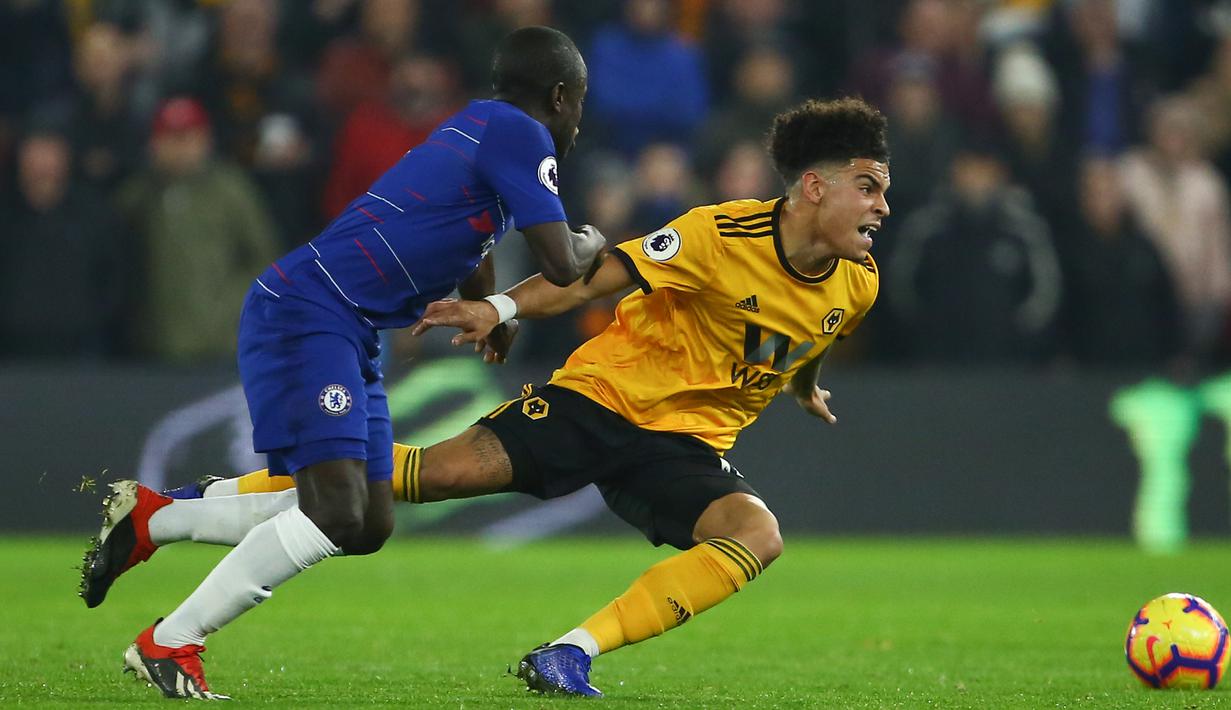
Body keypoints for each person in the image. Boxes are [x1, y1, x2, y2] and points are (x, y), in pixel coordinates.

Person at [83, 97, 889, 697]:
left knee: (755, 535)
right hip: (600, 400)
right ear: (813, 188)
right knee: (409, 482)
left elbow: (804, 337)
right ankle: (170, 512)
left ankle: (568, 652)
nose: (881, 207)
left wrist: (803, 386)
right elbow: (590, 278)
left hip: (686, 446)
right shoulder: (721, 233)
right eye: (869, 188)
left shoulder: (857, 283)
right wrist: (497, 306)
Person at [80, 26, 605, 700]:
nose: (580, 122)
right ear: (560, 96)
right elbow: (562, 263)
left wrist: (489, 311)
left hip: (346, 325)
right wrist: (590, 243)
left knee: (367, 521)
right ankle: (171, 641)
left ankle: (152, 519)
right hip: (310, 311)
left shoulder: (478, 128)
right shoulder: (521, 135)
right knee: (333, 510)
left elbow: (469, 234)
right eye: (579, 105)